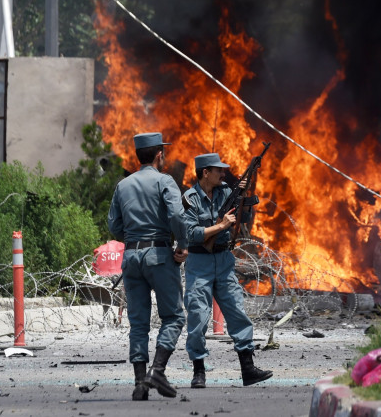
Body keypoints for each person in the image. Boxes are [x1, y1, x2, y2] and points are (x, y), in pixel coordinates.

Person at [108, 132, 189, 401]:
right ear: (158, 155)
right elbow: (177, 215)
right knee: (174, 316)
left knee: (139, 323)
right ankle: (158, 370)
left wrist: (133, 239)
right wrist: (181, 244)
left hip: (131, 258)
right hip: (159, 255)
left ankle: (140, 384)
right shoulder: (165, 181)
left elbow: (113, 226)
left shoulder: (123, 185)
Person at [182, 153, 273, 388]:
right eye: (218, 171)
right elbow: (191, 234)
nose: (223, 174)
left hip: (223, 260)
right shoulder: (190, 199)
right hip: (199, 263)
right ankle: (199, 372)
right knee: (198, 318)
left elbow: (243, 219)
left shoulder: (225, 192)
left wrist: (242, 197)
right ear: (205, 173)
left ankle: (248, 369)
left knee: (236, 312)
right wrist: (220, 226)